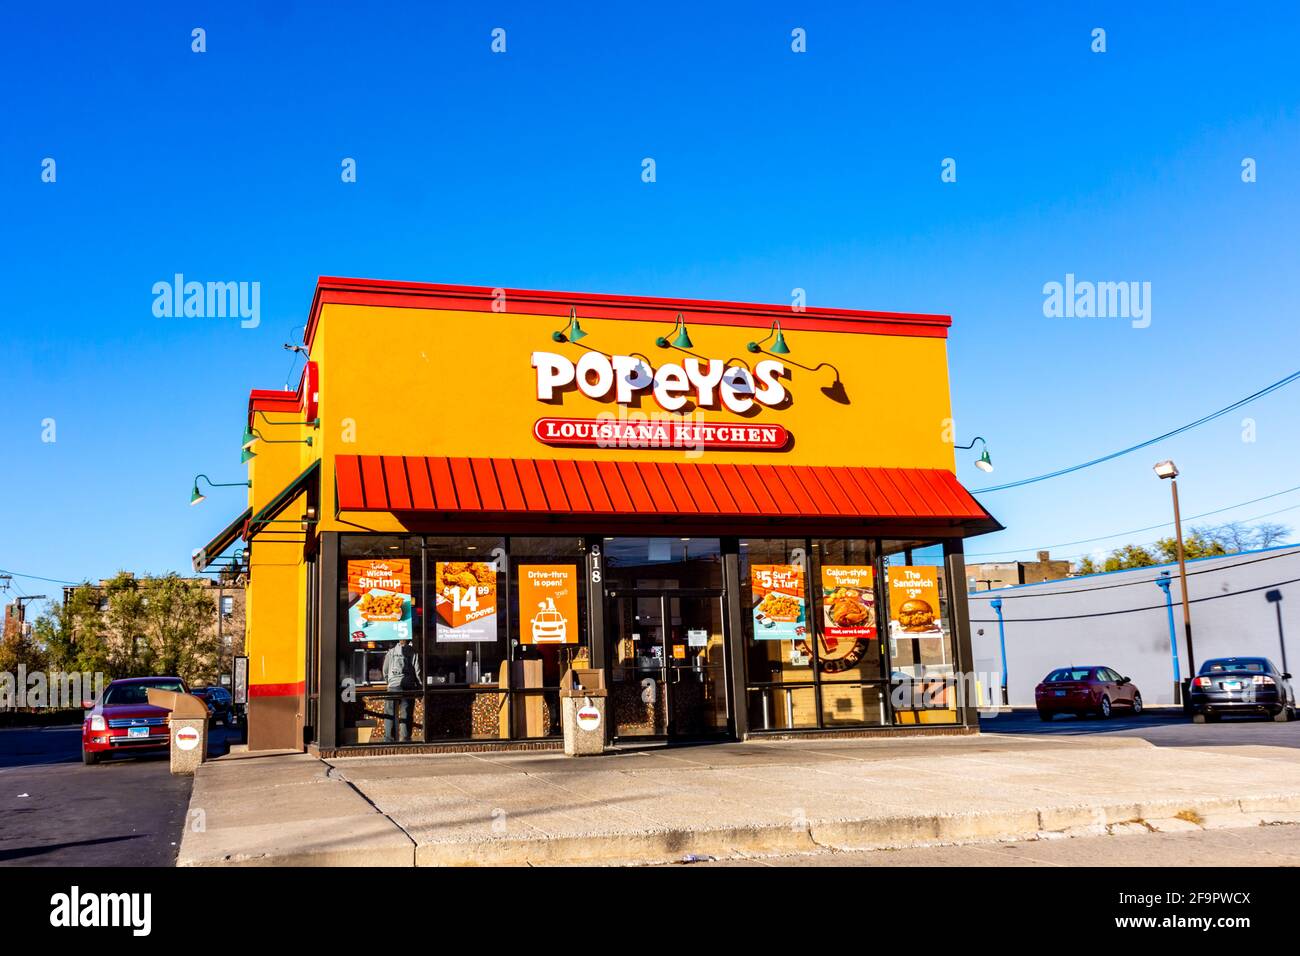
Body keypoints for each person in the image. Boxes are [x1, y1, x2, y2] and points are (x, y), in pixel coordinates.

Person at [382, 637, 421, 742]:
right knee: (406, 713)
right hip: (408, 686)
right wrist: (420, 686)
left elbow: (385, 671)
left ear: (398, 640)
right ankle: (405, 738)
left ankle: (389, 740)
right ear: (409, 641)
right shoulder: (413, 652)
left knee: (389, 713)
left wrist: (389, 682)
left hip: (393, 686)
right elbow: (418, 672)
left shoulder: (390, 652)